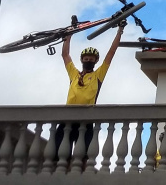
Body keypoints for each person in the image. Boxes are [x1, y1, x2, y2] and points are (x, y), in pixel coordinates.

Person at [54, 19, 126, 166]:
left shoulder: (98, 75)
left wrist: (120, 31)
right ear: (82, 60)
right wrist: (69, 35)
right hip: (67, 117)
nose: (88, 61)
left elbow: (110, 54)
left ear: (95, 61)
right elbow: (65, 55)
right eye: (86, 59)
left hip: (86, 120)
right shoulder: (74, 74)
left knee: (84, 156)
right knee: (59, 154)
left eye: (91, 59)